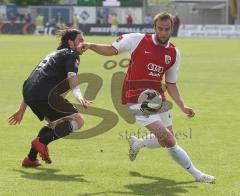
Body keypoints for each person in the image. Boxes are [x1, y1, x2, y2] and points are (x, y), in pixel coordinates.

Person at [79, 12, 215, 183]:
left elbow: (171, 83)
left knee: (164, 140)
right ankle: (198, 175)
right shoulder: (136, 40)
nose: (163, 33)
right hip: (136, 98)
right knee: (169, 139)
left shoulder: (174, 53)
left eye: (167, 29)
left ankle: (138, 143)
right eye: (160, 29)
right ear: (154, 28)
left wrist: (182, 105)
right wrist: (90, 45)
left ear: (172, 28)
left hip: (157, 97)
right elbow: (111, 50)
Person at [8, 28, 91, 167]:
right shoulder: (72, 54)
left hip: (30, 93)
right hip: (44, 94)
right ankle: (42, 142)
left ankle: (31, 159)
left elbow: (34, 81)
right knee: (78, 121)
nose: (84, 43)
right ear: (70, 42)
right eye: (80, 40)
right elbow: (72, 76)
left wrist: (22, 108)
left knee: (56, 124)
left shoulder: (54, 54)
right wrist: (78, 95)